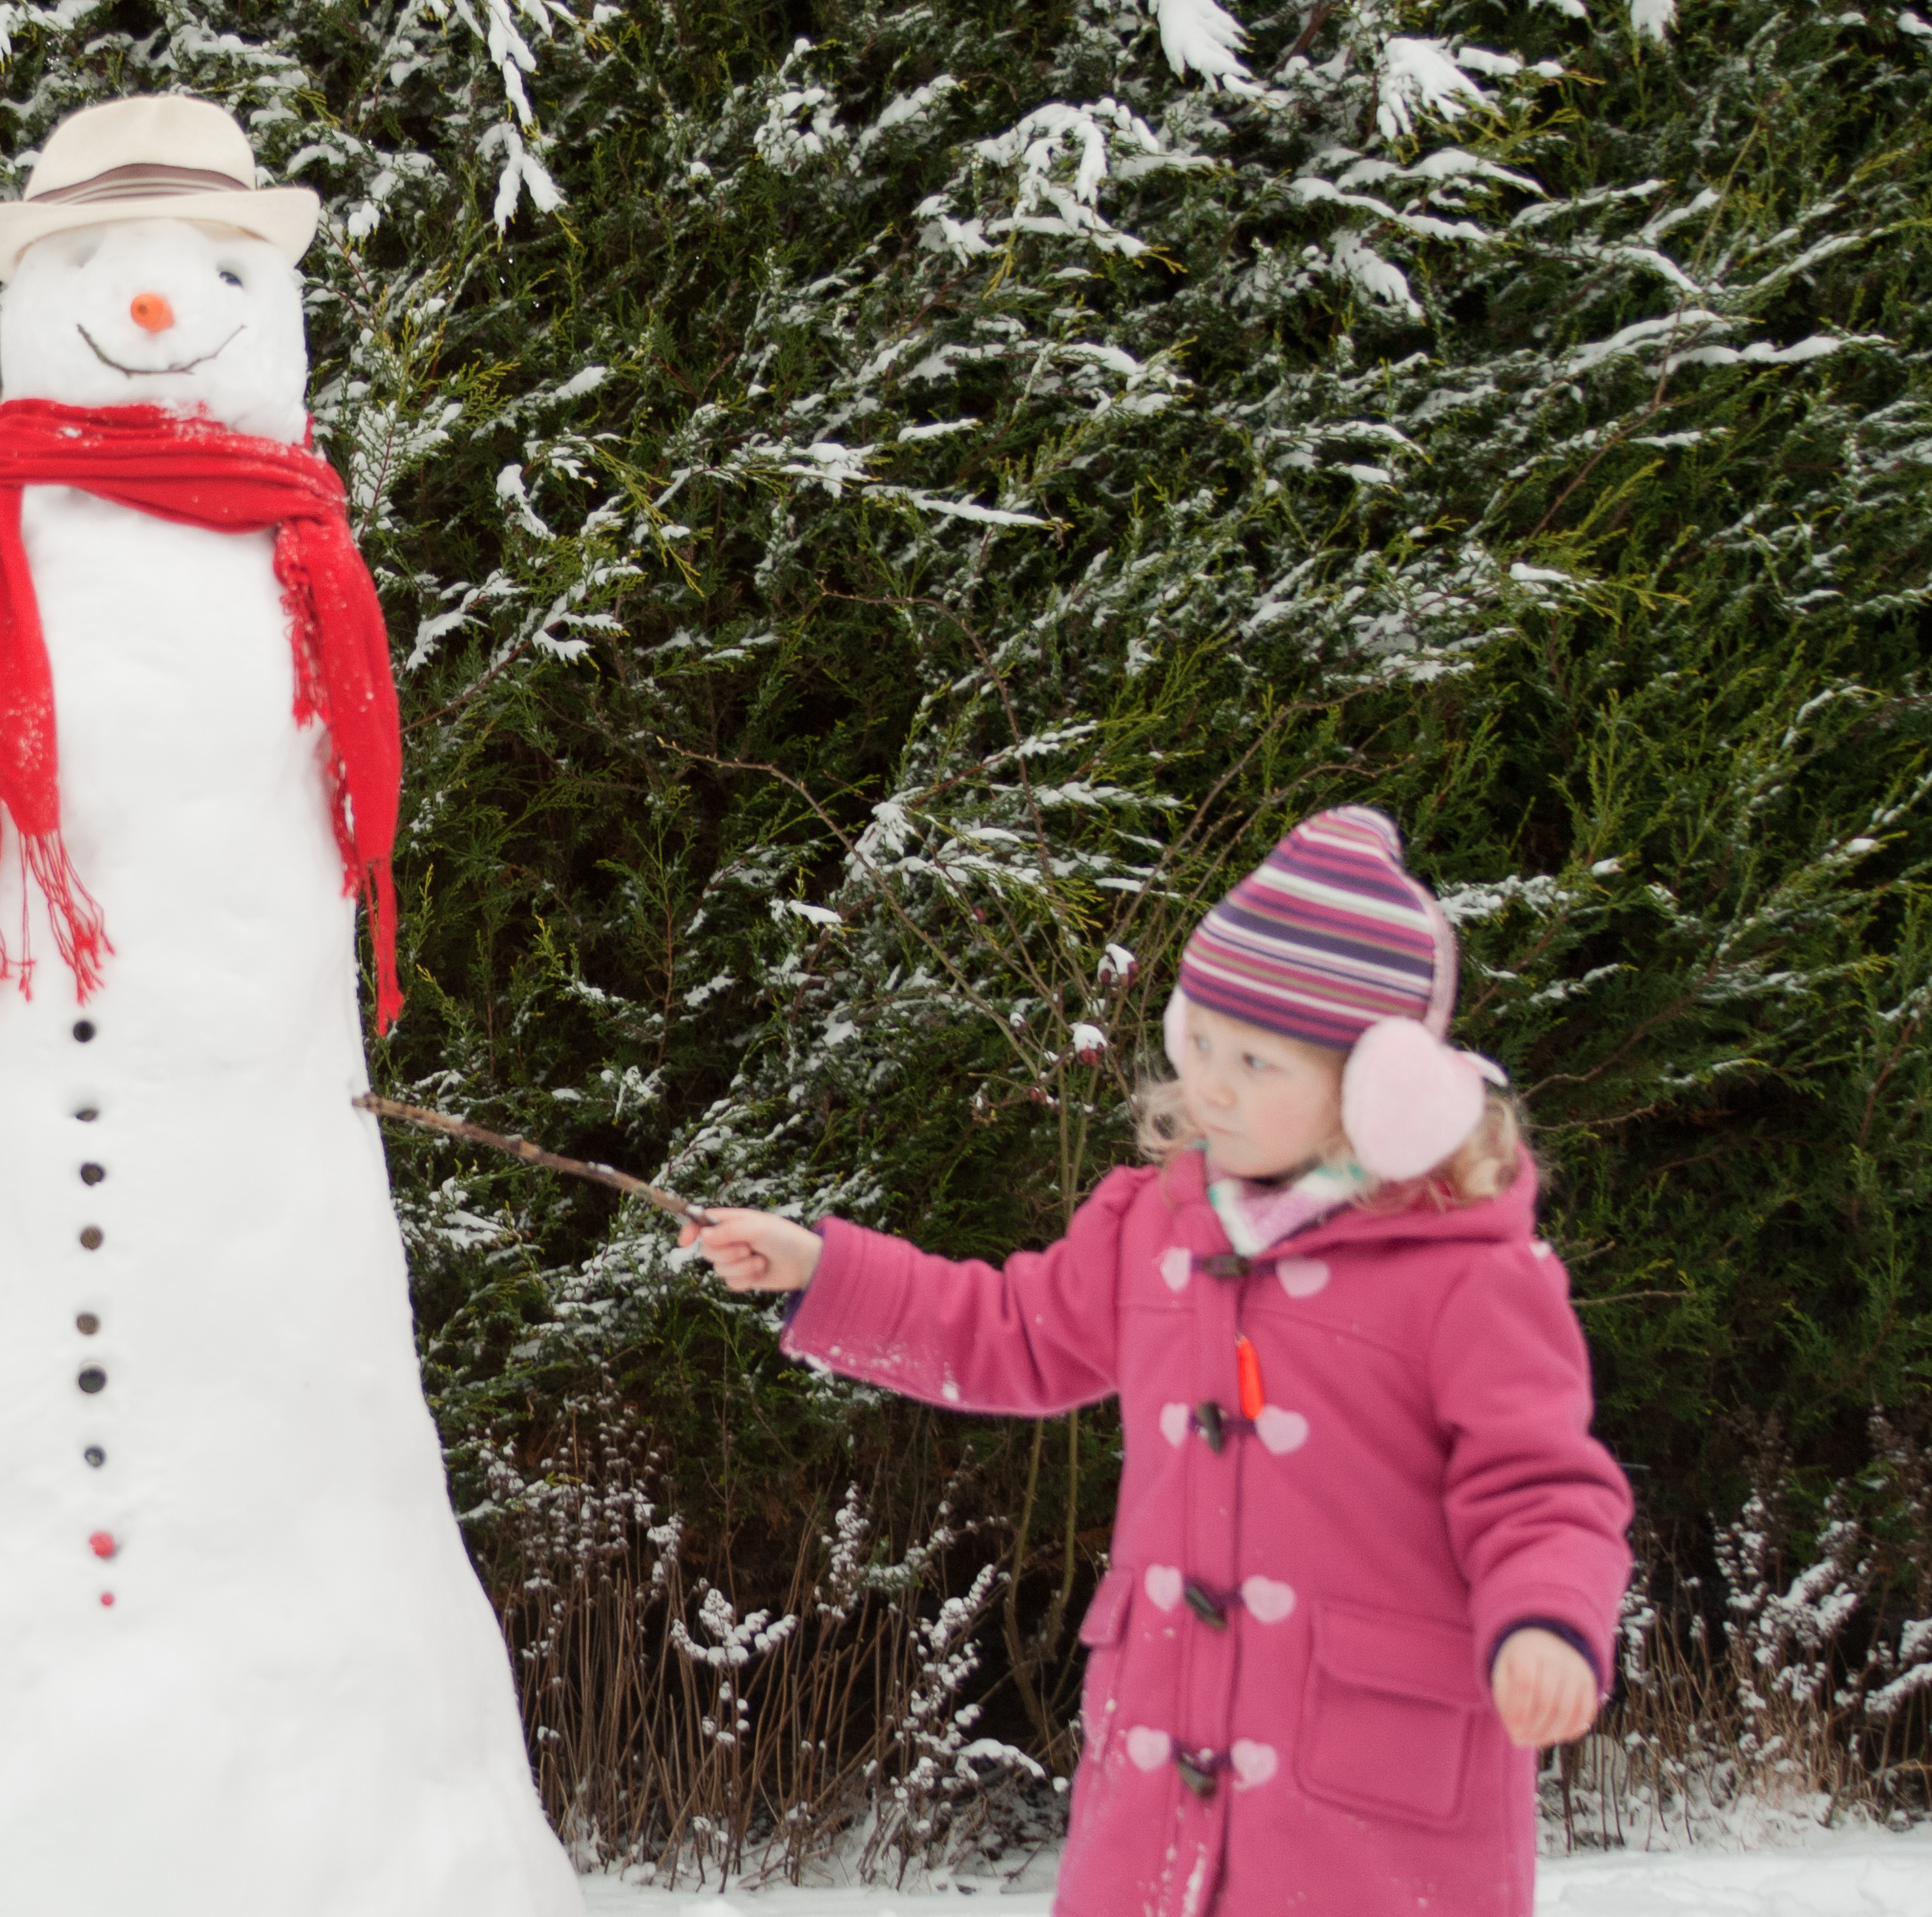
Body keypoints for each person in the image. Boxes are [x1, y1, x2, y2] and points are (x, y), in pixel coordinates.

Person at [681, 808, 1630, 1917]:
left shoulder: (1466, 1276)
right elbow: (1011, 1332)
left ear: (1378, 1091)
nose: (1213, 1086)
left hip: (1368, 1824)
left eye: (1257, 1061)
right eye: (1203, 1042)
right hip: (1158, 1814)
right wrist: (820, 1270)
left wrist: (1546, 1617)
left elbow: (1539, 1481)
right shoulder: (1157, 1224)